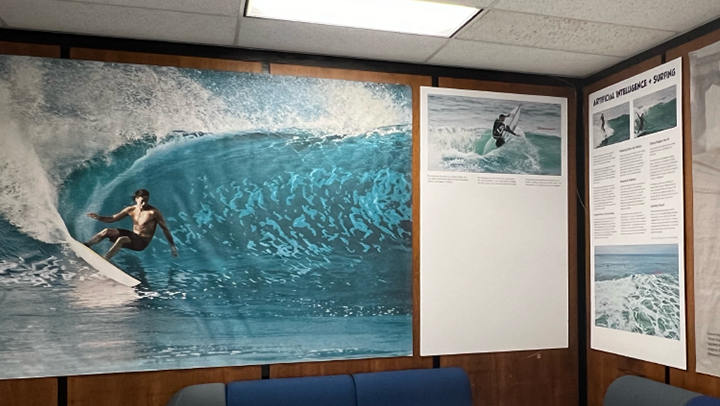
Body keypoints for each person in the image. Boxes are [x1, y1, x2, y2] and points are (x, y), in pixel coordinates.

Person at [85, 189, 178, 260]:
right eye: (142, 200)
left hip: (142, 242)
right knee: (107, 231)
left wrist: (172, 246)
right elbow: (112, 218)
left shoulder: (153, 212)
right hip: (133, 237)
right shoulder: (130, 210)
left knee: (122, 239)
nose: (144, 203)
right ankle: (87, 245)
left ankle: (105, 259)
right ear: (136, 199)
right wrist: (99, 217)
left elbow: (165, 229)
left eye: (146, 200)